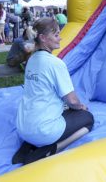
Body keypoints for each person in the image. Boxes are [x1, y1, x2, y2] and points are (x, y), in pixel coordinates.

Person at [13, 17, 94, 165]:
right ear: (43, 38)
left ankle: (28, 145)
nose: (60, 37)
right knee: (88, 119)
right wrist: (81, 107)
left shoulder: (31, 60)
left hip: (23, 127)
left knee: (64, 110)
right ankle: (51, 149)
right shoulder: (55, 64)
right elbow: (72, 100)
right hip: (43, 131)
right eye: (56, 34)